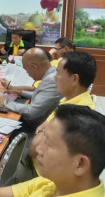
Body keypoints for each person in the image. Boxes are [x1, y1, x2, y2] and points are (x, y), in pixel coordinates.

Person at [15, 50, 97, 183]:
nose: (54, 77)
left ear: (74, 79)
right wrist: (42, 131)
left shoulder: (78, 114)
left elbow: (36, 147)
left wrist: (41, 131)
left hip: (40, 175)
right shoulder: (69, 99)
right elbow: (41, 130)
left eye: (58, 73)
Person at [0, 48, 62, 132]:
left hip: (35, 126)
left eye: (26, 70)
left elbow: (31, 112)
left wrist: (6, 102)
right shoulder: (52, 72)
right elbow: (40, 95)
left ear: (34, 67)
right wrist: (18, 91)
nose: (27, 73)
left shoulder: (51, 80)